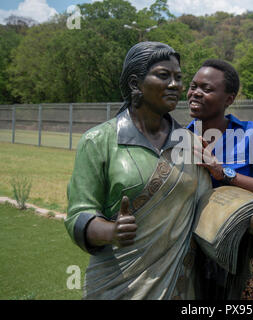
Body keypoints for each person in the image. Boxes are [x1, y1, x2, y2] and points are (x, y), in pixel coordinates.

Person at [64, 42, 212, 300]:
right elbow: (78, 214)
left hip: (179, 284)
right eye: (164, 76)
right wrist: (110, 231)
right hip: (118, 283)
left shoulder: (190, 143)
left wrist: (251, 215)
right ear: (135, 84)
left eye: (178, 77)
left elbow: (207, 207)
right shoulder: (98, 141)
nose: (175, 85)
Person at [186, 59, 253, 300]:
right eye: (193, 86)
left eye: (207, 89)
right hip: (189, 252)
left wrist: (224, 173)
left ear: (229, 99)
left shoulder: (249, 134)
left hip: (241, 252)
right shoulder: (180, 137)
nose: (196, 93)